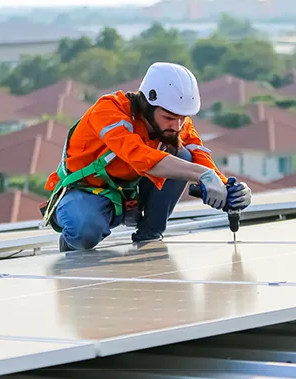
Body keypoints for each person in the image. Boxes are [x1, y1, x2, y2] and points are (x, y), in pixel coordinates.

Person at [39, 62, 252, 251]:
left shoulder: (176, 122)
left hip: (131, 195)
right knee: (85, 231)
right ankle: (71, 241)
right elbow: (139, 156)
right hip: (86, 194)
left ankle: (149, 235)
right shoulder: (109, 111)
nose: (177, 125)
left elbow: (198, 155)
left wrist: (228, 190)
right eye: (169, 117)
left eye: (182, 118)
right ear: (148, 104)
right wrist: (203, 175)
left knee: (184, 156)